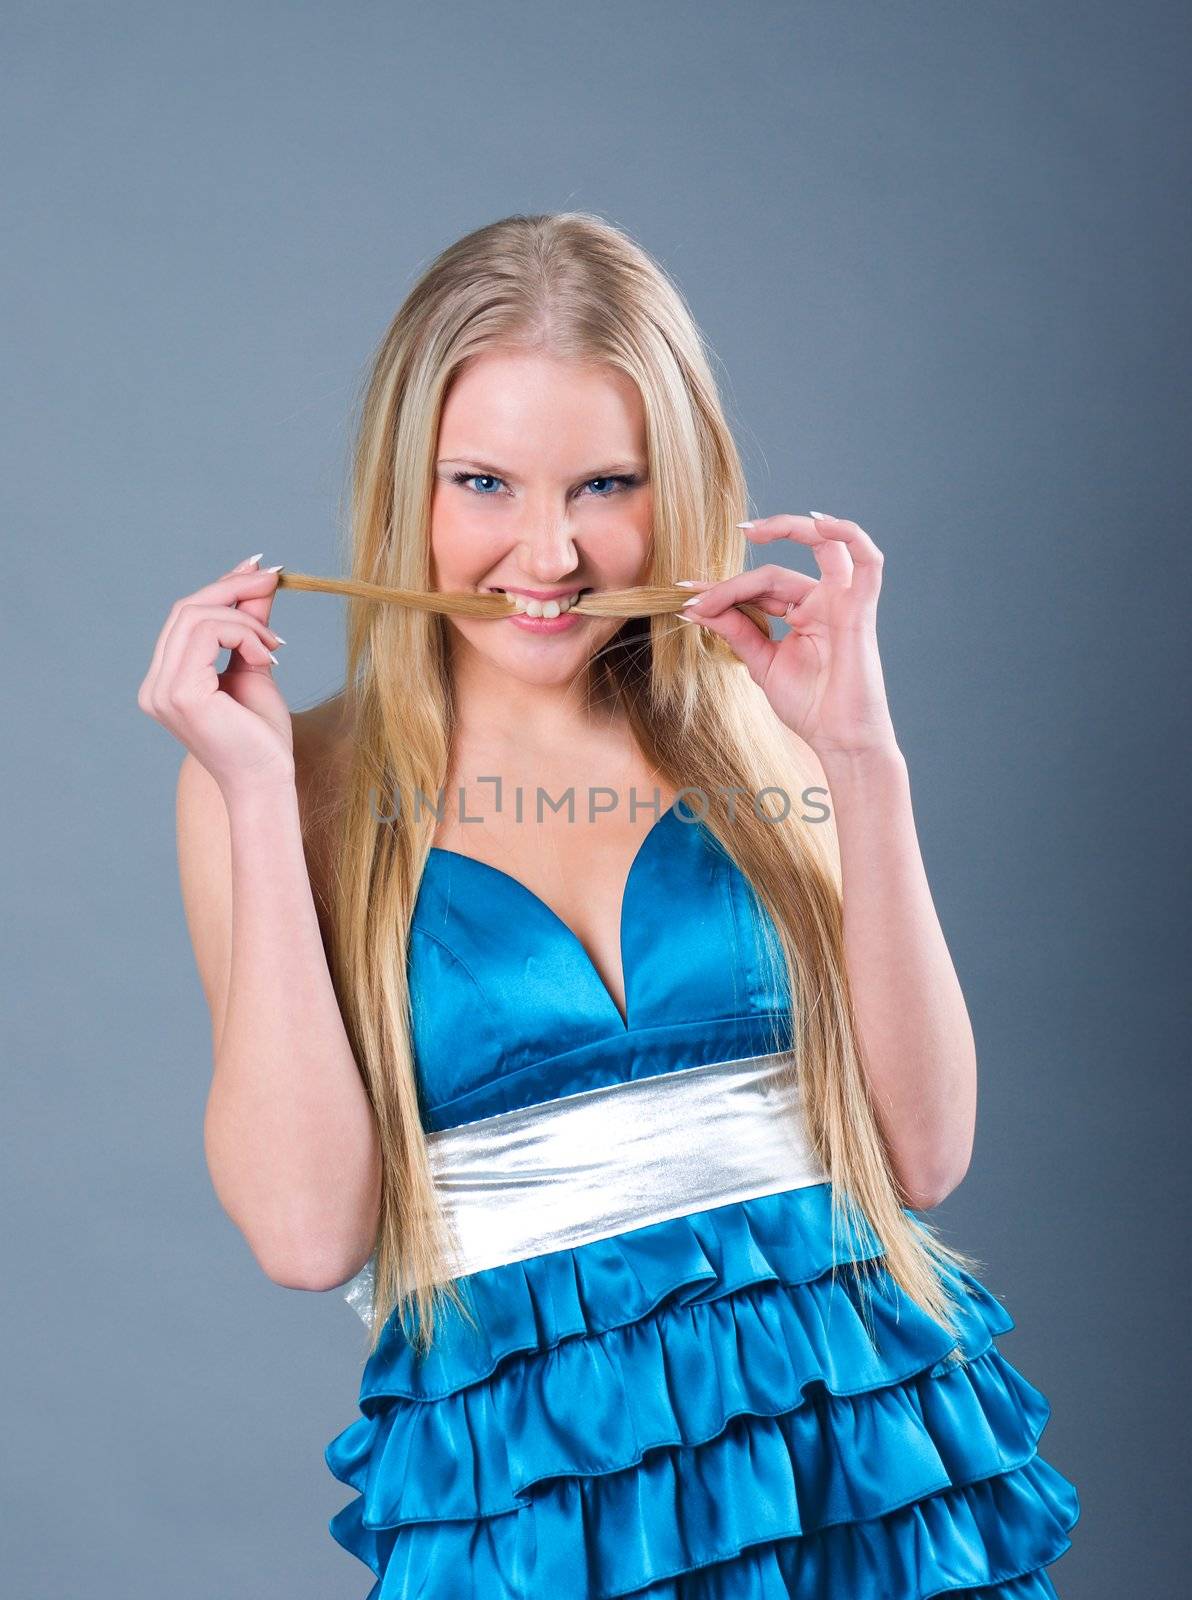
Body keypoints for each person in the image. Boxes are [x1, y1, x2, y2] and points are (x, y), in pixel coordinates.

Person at [137, 212, 1079, 1597]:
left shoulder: (764, 732)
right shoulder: (283, 784)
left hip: (866, 1460)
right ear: (407, 491)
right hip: (539, 1513)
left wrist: (862, 761)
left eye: (603, 484)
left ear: (674, 487)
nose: (550, 554)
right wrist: (261, 799)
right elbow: (305, 1231)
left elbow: (926, 1154)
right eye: (484, 484)